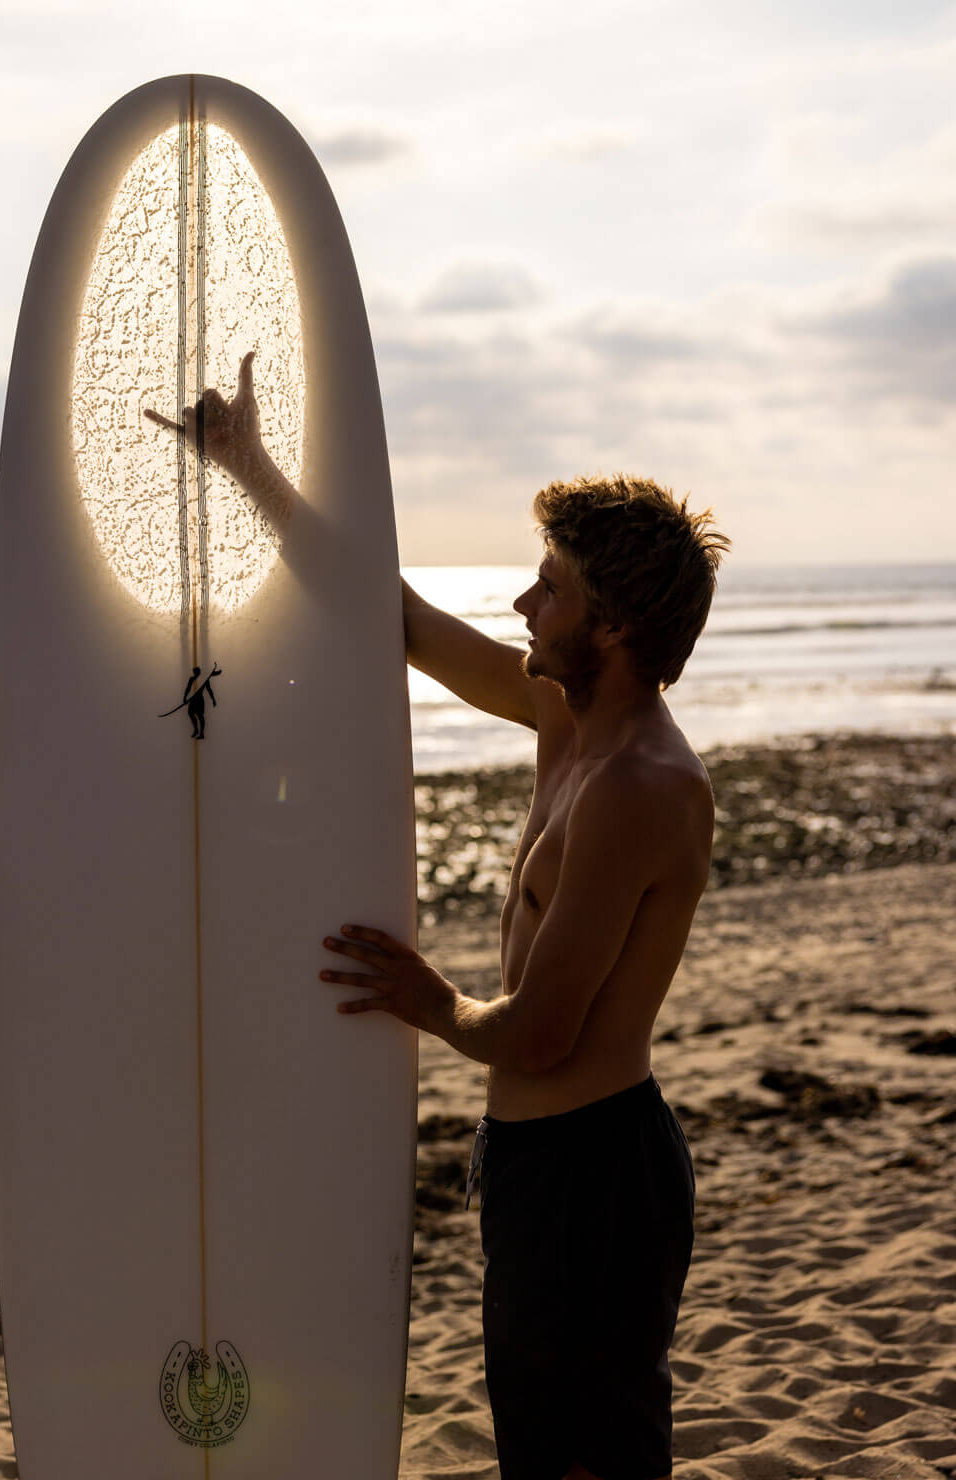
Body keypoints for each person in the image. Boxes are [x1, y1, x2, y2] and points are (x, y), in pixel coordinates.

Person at [149, 354, 729, 1480]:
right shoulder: (566, 716)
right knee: (542, 1445)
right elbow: (394, 619)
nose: (522, 603)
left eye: (549, 585)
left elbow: (542, 1031)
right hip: (536, 1161)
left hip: (592, 1173)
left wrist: (433, 1002)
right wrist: (248, 467)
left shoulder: (640, 790)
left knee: (587, 1456)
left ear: (609, 626)